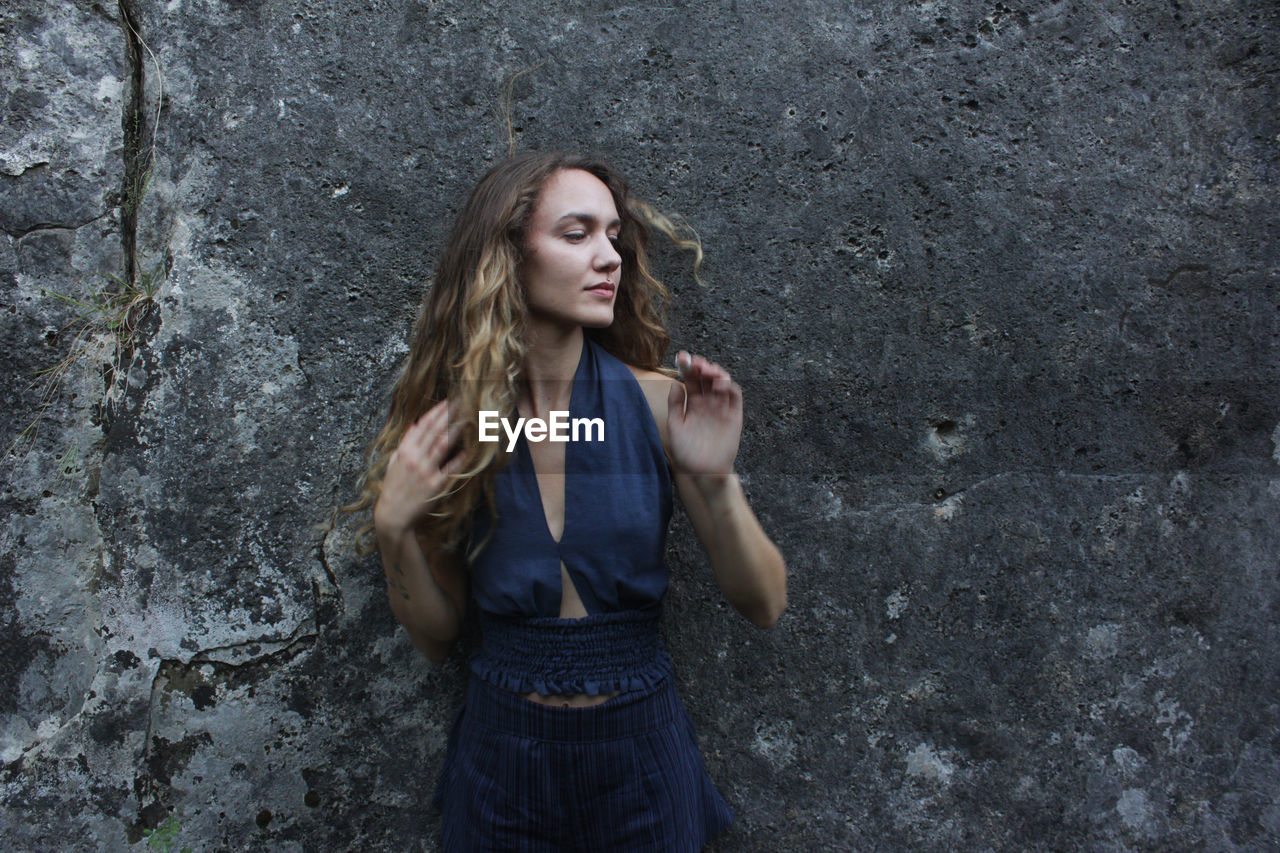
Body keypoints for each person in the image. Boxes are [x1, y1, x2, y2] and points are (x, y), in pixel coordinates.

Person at [353, 150, 787, 851]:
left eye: (613, 234)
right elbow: (436, 639)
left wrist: (715, 477)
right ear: (507, 256)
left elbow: (763, 601)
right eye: (577, 233)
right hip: (501, 764)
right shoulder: (459, 429)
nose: (609, 256)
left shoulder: (656, 404)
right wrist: (393, 527)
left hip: (640, 758)